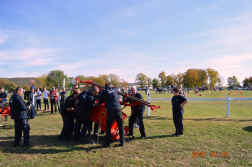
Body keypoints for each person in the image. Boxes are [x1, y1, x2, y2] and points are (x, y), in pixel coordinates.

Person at [98, 83, 125, 147]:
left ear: (105, 86)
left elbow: (101, 100)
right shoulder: (115, 89)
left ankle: (107, 143)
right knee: (120, 126)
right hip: (118, 109)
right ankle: (122, 142)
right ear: (111, 86)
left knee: (108, 126)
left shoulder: (104, 91)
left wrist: (98, 103)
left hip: (111, 110)